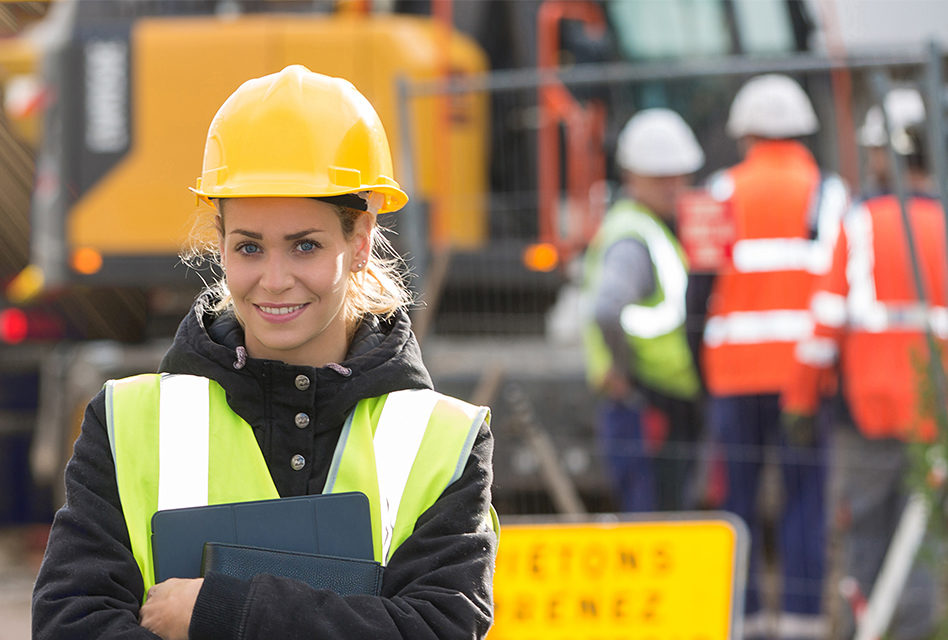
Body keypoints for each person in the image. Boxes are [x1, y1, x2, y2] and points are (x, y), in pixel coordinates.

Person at [31, 64, 498, 640]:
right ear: (220, 241)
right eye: (249, 247)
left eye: (305, 245)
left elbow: (438, 628)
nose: (274, 280)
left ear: (360, 240)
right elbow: (70, 621)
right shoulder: (127, 423)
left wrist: (222, 611)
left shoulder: (442, 440)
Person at [783, 87, 943, 640]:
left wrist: (800, 402)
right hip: (934, 414)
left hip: (867, 413)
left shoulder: (862, 225)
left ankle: (862, 630)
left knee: (861, 537)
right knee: (920, 541)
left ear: (883, 154)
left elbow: (825, 325)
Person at [700, 74, 849, 639]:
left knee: (737, 501)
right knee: (805, 499)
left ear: (746, 134)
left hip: (734, 377)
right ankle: (803, 623)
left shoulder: (719, 191)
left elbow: (698, 285)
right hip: (804, 379)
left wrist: (701, 366)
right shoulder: (829, 193)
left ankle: (744, 619)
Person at [582, 108, 705, 513]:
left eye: (679, 175)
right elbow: (606, 309)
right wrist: (622, 372)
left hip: (660, 400)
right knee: (654, 519)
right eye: (661, 177)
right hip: (646, 401)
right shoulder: (633, 237)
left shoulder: (651, 227)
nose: (675, 187)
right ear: (633, 176)